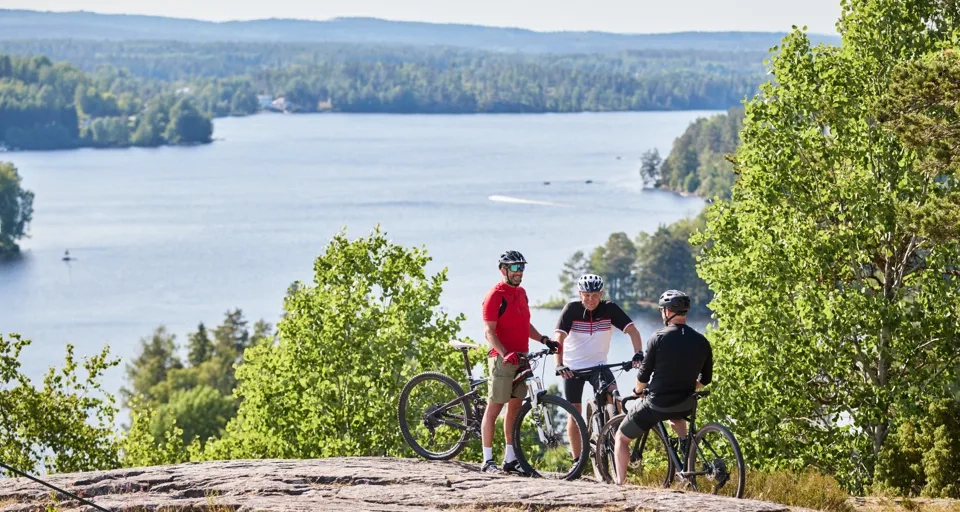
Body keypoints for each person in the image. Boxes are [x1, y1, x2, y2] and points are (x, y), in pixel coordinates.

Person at [614, 289, 713, 486]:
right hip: (686, 403)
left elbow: (643, 375)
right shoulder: (702, 341)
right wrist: (686, 385)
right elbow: (706, 378)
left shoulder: (658, 337)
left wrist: (637, 392)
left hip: (657, 404)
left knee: (621, 438)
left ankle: (619, 483)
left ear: (668, 312)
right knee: (676, 418)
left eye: (662, 310)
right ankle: (687, 451)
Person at [480, 250, 560, 475]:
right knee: (494, 408)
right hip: (503, 359)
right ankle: (487, 461)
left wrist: (544, 339)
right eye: (515, 268)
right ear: (503, 270)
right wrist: (505, 353)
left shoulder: (522, 293)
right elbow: (489, 332)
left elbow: (525, 326)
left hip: (522, 358)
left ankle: (510, 459)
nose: (519, 272)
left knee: (514, 409)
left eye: (522, 267)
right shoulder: (495, 295)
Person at [554, 273, 644, 460]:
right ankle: (577, 459)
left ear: (601, 294)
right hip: (573, 369)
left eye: (595, 295)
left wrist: (638, 353)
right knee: (574, 412)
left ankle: (616, 438)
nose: (591, 299)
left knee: (615, 397)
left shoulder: (609, 309)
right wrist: (559, 364)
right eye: (586, 295)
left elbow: (633, 332)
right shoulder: (571, 310)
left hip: (600, 366)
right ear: (580, 294)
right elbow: (559, 338)